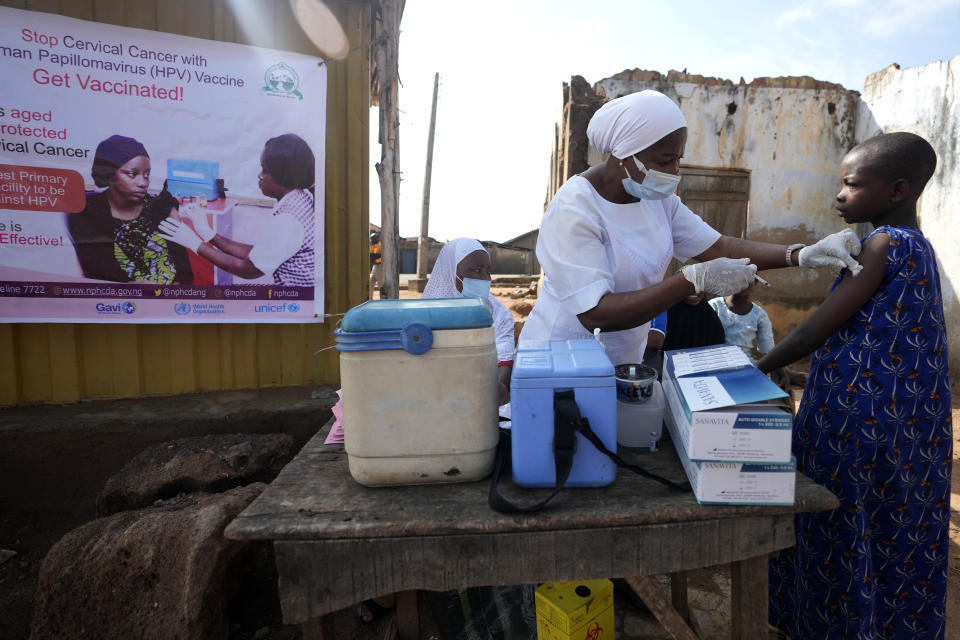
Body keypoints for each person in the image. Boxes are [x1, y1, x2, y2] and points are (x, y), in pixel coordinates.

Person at [757, 132, 951, 640]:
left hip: (857, 426)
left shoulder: (881, 243)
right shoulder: (922, 250)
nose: (840, 195)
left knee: (839, 523)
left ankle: (832, 626)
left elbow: (816, 325)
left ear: (896, 190)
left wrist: (760, 365)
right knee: (892, 528)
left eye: (850, 184)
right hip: (907, 427)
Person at [520, 90, 863, 367]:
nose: (675, 170)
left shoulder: (657, 200)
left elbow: (718, 247)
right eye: (664, 160)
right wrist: (691, 279)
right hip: (561, 360)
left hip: (622, 359)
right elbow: (595, 313)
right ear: (624, 156)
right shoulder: (575, 210)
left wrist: (801, 254)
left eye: (678, 158)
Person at [159, 133, 315, 287]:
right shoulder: (300, 199)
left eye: (265, 171)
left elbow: (248, 269)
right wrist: (211, 235)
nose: (259, 176)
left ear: (284, 176)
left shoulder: (289, 220)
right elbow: (257, 255)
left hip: (297, 301)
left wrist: (193, 242)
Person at [68, 135, 193, 284]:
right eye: (132, 174)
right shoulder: (88, 213)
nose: (142, 183)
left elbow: (184, 272)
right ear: (110, 173)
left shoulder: (162, 208)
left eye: (147, 175)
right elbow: (96, 271)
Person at [422, 238, 515, 405]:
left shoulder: (498, 313)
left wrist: (499, 385)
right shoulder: (424, 314)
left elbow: (504, 355)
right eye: (477, 270)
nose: (485, 279)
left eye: (488, 271)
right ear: (451, 271)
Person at [709, 282, 775, 360]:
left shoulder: (759, 315)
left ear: (754, 283)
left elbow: (768, 350)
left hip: (744, 364)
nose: (744, 283)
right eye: (740, 278)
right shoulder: (715, 306)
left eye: (748, 279)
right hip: (715, 362)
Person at [369, 231, 383, 297]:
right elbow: (371, 255)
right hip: (374, 267)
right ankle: (370, 299)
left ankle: (383, 300)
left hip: (380, 266)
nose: (371, 240)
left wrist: (373, 256)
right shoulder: (372, 246)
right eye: (371, 238)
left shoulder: (380, 245)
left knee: (381, 285)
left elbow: (374, 256)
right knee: (370, 281)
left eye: (373, 238)